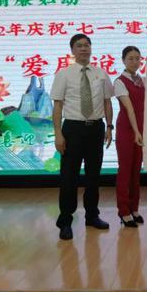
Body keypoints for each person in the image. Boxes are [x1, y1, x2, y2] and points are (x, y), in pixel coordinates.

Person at [51, 34, 114, 240]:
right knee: (69, 176)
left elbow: (107, 102)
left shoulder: (101, 73)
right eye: (79, 46)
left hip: (96, 128)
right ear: (72, 50)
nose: (84, 49)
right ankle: (65, 221)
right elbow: (57, 105)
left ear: (91, 48)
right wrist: (58, 134)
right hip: (73, 129)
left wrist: (109, 127)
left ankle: (92, 216)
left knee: (93, 176)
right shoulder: (64, 74)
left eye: (87, 45)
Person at [114, 46, 145, 228]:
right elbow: (129, 108)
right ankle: (124, 211)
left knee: (136, 170)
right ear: (123, 60)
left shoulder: (141, 80)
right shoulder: (120, 82)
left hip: (140, 129)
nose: (135, 62)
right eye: (130, 58)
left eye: (137, 58)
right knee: (125, 170)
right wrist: (136, 131)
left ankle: (134, 208)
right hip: (127, 129)